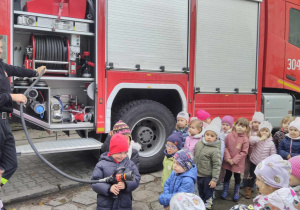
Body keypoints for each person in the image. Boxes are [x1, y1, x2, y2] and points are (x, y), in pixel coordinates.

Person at [0, 35, 46, 198]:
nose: (0, 50)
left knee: (11, 164)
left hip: (4, 123)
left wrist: (35, 72)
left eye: (0, 47)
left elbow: (17, 70)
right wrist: (14, 97)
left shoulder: (1, 66)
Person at [91, 134, 140, 210]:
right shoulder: (101, 164)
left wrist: (126, 185)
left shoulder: (129, 164)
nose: (122, 156)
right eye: (119, 152)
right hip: (105, 205)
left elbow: (136, 178)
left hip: (124, 205)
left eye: (125, 152)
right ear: (112, 150)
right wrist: (108, 188)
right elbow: (94, 182)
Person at [194, 117, 222, 209]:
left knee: (208, 192)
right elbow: (195, 157)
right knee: (200, 191)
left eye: (212, 136)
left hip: (208, 176)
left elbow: (216, 166)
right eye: (207, 134)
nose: (209, 137)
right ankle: (201, 203)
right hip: (198, 174)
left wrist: (214, 179)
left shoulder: (215, 150)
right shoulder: (199, 143)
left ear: (216, 137)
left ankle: (209, 205)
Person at [245, 121, 276, 199]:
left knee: (262, 178)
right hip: (254, 161)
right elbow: (250, 141)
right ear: (259, 131)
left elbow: (273, 154)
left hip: (263, 164)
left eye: (266, 131)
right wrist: (259, 139)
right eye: (262, 130)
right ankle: (249, 189)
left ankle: (261, 191)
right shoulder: (257, 139)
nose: (264, 132)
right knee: (251, 176)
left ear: (270, 132)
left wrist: (271, 163)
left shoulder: (271, 143)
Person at [221, 117, 250, 202]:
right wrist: (228, 158)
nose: (240, 127)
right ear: (235, 125)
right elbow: (225, 147)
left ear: (246, 128)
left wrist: (234, 160)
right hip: (228, 161)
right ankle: (225, 191)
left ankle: (236, 193)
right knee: (227, 175)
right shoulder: (229, 135)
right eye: (239, 125)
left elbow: (244, 152)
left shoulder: (245, 139)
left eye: (243, 126)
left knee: (237, 177)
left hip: (238, 163)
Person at [241, 112, 264, 189]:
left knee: (254, 169)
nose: (256, 124)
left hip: (257, 154)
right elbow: (248, 139)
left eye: (259, 123)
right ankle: (244, 180)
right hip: (247, 153)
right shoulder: (248, 130)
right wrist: (258, 139)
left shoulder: (262, 130)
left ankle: (253, 182)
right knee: (246, 168)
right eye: (255, 122)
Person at [216, 115, 234, 191]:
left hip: (227, 156)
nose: (225, 126)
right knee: (220, 170)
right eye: (223, 124)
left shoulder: (231, 134)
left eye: (227, 125)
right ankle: (219, 181)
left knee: (225, 170)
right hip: (220, 154)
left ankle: (222, 183)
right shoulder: (219, 132)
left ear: (231, 126)